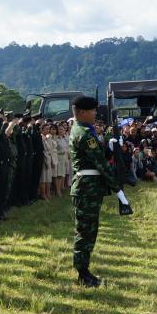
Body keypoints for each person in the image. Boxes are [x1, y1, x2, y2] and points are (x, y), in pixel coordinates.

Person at [69, 96, 122, 287]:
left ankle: (84, 269)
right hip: (87, 188)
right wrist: (118, 189)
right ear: (82, 112)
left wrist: (108, 146)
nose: (95, 114)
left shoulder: (84, 130)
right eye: (92, 111)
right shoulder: (84, 133)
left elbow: (99, 157)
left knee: (89, 230)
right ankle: (82, 273)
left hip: (89, 187)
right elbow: (101, 164)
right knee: (85, 231)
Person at [39, 123, 56, 200]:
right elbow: (43, 151)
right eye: (46, 129)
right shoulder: (41, 138)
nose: (48, 130)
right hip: (44, 160)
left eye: (48, 129)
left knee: (48, 178)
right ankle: (43, 194)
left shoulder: (47, 138)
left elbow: (51, 149)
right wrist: (46, 161)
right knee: (43, 178)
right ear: (42, 130)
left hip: (49, 159)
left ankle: (48, 192)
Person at [54, 124, 69, 197]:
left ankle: (60, 189)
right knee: (58, 175)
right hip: (58, 158)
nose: (61, 131)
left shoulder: (63, 138)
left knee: (62, 175)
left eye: (62, 129)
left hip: (64, 158)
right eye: (59, 129)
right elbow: (54, 150)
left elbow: (66, 148)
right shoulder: (56, 138)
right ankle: (57, 191)